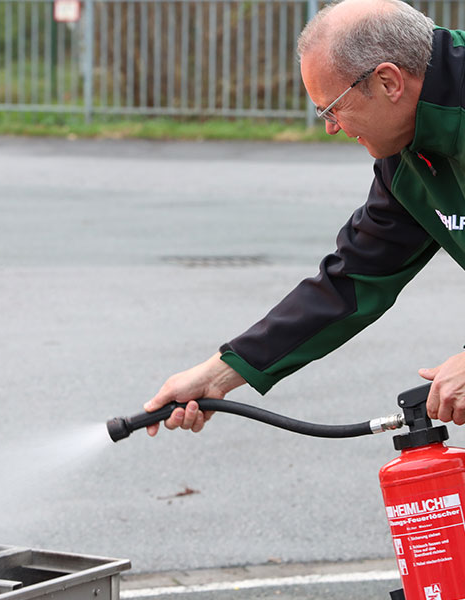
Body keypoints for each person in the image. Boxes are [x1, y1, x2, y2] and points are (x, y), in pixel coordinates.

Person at [144, 0, 465, 436]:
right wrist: (220, 373)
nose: (330, 126)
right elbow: (354, 279)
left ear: (388, 81)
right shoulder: (406, 152)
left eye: (332, 107)